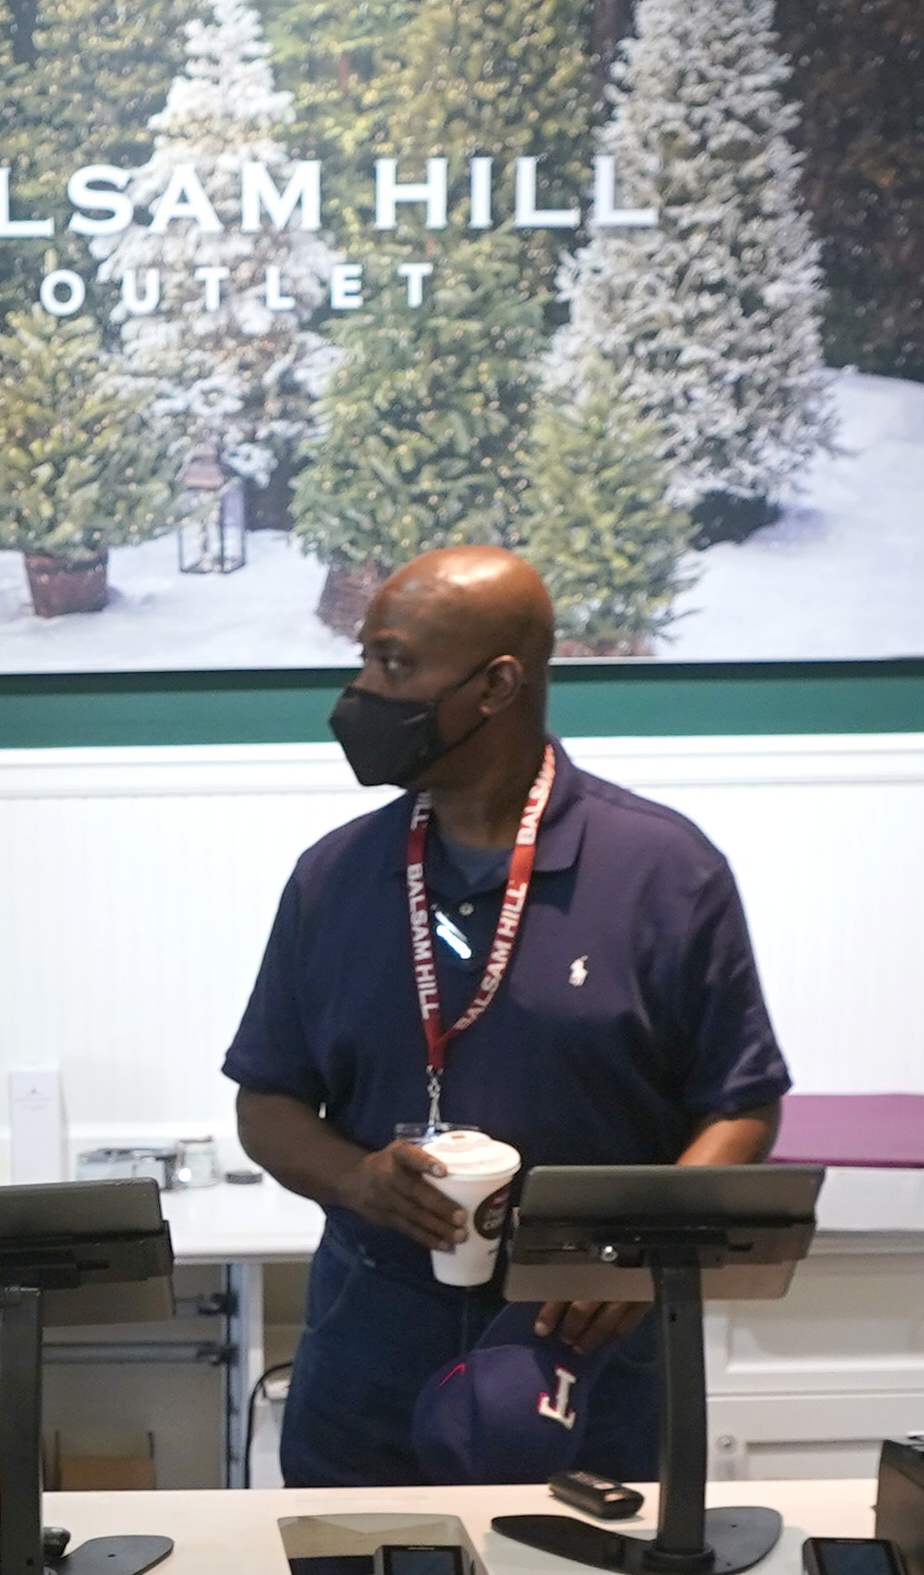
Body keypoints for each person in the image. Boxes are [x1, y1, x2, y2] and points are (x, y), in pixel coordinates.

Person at [224, 545, 790, 1487]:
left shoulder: (663, 871)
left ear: (494, 686)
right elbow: (266, 1104)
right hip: (368, 1353)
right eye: (365, 660)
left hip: (581, 1352)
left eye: (392, 664)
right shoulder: (334, 876)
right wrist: (358, 1181)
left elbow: (741, 1106)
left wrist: (634, 1253)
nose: (362, 693)